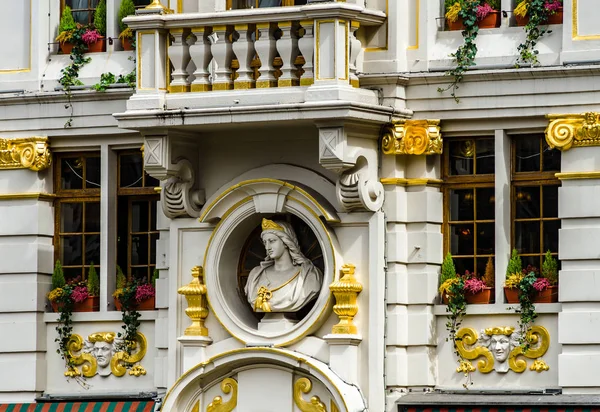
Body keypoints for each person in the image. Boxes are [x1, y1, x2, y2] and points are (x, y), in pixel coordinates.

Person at [245, 218, 322, 313]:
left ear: (286, 242)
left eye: (272, 241)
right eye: (265, 242)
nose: (267, 247)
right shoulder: (255, 275)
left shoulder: (309, 275)